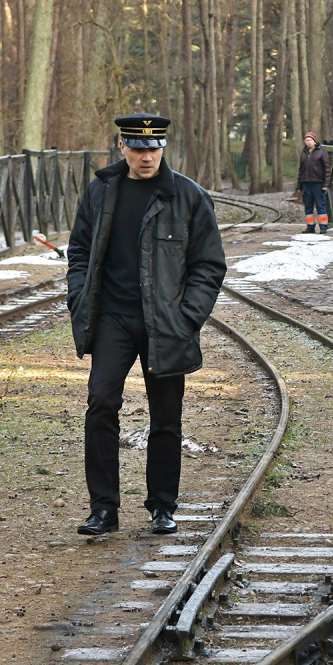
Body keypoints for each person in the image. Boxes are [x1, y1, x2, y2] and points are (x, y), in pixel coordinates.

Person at [66, 113, 226, 537]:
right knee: (101, 403)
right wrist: (78, 297)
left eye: (153, 148)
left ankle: (162, 506)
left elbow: (209, 266)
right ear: (122, 146)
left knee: (166, 417)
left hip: (167, 323)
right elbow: (79, 251)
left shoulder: (188, 196)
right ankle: (103, 509)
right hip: (112, 320)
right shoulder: (101, 191)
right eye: (137, 148)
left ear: (162, 148)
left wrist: (188, 317)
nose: (146, 156)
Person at [297, 132, 331, 233]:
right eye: (307, 140)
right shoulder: (304, 152)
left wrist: (326, 184)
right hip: (306, 183)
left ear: (314, 141)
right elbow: (301, 169)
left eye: (310, 140)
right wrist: (299, 185)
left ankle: (323, 227)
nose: (309, 142)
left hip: (318, 182)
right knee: (308, 206)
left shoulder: (322, 151)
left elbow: (327, 168)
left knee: (321, 205)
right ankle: (310, 226)